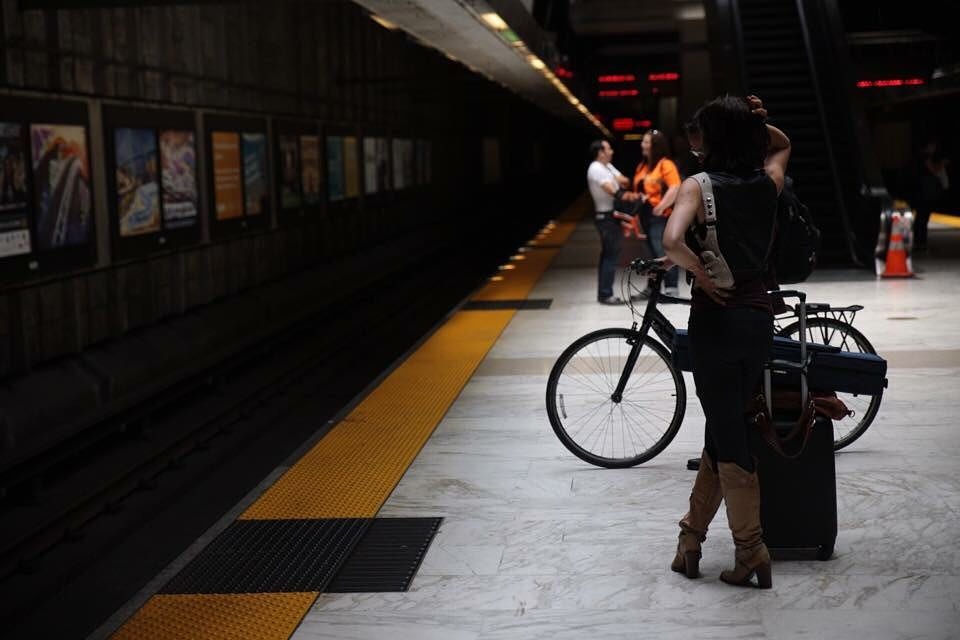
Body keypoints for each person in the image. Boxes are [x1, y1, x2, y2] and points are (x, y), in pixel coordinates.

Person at [661, 95, 791, 589]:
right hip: (758, 322)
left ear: (714, 140)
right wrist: (759, 123)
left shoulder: (698, 186)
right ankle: (689, 540)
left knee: (731, 437)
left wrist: (702, 274)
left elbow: (672, 241)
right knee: (724, 426)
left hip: (715, 323)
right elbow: (783, 144)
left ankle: (751, 550)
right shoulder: (768, 183)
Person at [586, 139, 639, 304]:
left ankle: (604, 292)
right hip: (605, 218)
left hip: (610, 216)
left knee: (609, 254)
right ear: (600, 152)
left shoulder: (607, 166)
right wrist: (623, 195)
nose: (612, 151)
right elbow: (610, 188)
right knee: (610, 255)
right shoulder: (596, 168)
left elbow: (625, 181)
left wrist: (619, 188)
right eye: (608, 149)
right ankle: (605, 294)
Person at [632, 130, 683, 297]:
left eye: (646, 142)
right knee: (650, 252)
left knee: (662, 251)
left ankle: (670, 288)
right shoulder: (643, 166)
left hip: (659, 216)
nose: (642, 145)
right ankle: (652, 287)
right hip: (645, 215)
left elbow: (675, 187)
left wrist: (661, 206)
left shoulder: (665, 164)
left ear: (655, 146)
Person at [913, 139, 950, 252]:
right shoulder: (925, 157)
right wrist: (942, 164)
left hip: (921, 191)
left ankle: (920, 242)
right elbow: (933, 170)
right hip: (923, 192)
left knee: (922, 218)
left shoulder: (921, 157)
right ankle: (920, 243)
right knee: (922, 218)